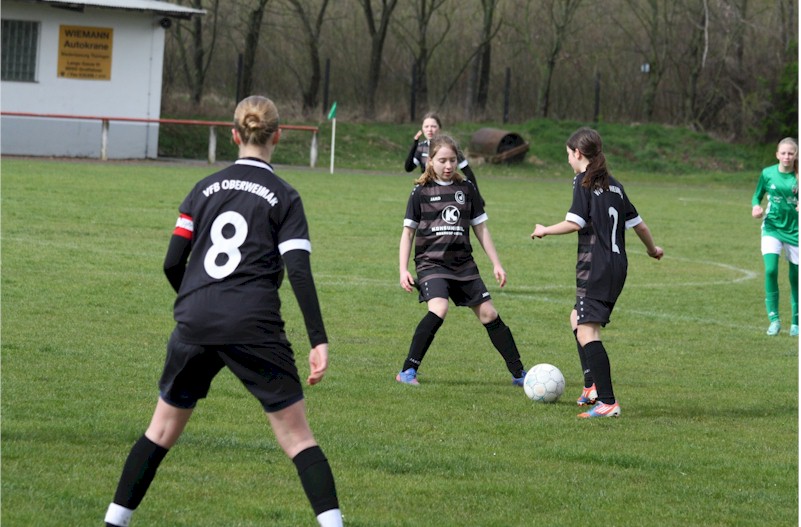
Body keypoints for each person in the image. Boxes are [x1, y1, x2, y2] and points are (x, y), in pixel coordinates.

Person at [104, 96, 343, 527]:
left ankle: (113, 522)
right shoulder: (285, 196)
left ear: (234, 135)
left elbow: (172, 262)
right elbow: (299, 273)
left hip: (195, 321)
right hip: (253, 322)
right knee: (297, 438)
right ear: (279, 136)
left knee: (158, 433)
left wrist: (196, 299)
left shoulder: (202, 188)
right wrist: (319, 339)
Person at [531, 127, 663, 419]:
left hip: (596, 265)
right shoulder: (615, 186)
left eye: (568, 154)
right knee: (577, 318)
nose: (567, 160)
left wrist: (545, 230)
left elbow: (575, 222)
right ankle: (591, 385)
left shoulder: (583, 181)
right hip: (618, 266)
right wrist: (653, 250)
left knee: (588, 331)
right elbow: (639, 226)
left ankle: (607, 402)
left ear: (578, 154)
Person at [396, 134, 527, 386]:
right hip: (431, 263)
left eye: (452, 160)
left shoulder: (466, 189)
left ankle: (519, 373)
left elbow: (481, 229)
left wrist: (496, 263)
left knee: (489, 313)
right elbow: (408, 233)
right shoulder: (420, 192)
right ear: (430, 161)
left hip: (463, 264)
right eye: (442, 160)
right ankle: (408, 371)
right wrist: (403, 269)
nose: (448, 166)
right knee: (439, 308)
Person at [751, 137, 799, 336]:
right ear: (777, 154)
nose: (787, 156)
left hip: (796, 231)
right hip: (771, 227)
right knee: (770, 270)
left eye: (791, 153)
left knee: (796, 277)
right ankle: (774, 319)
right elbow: (757, 195)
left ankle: (796, 322)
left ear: (796, 155)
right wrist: (755, 206)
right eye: (784, 153)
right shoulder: (768, 173)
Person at [404, 112, 484, 204]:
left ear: (439, 128)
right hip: (427, 193)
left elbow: (468, 173)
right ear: (422, 128)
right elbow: (408, 168)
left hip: (448, 192)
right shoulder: (421, 147)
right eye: (426, 126)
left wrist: (477, 195)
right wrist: (415, 145)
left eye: (433, 126)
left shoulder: (450, 148)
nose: (430, 130)